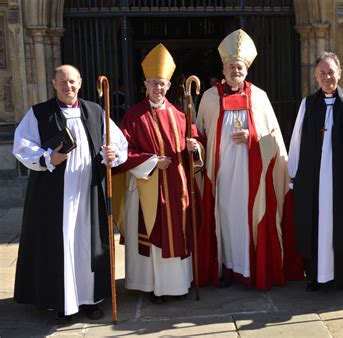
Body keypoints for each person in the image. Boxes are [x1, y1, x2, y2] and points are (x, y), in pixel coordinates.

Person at [12, 64, 128, 321]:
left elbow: (118, 143)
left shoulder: (96, 111)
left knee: (88, 245)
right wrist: (46, 158)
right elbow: (22, 146)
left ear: (81, 82)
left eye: (73, 81)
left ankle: (89, 300)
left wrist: (113, 154)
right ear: (54, 83)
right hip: (54, 195)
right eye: (63, 82)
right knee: (59, 246)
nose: (68, 87)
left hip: (88, 192)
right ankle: (61, 302)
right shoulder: (39, 114)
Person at [196, 29, 303, 291]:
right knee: (224, 219)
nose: (236, 70)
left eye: (240, 66)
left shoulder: (260, 97)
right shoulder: (209, 98)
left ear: (247, 69)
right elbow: (200, 135)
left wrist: (253, 137)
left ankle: (250, 268)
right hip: (221, 176)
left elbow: (275, 138)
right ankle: (226, 268)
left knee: (248, 221)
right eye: (231, 66)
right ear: (223, 68)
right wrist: (194, 145)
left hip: (252, 178)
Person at [115, 43, 203, 303]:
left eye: (162, 83)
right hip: (147, 188)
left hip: (177, 186)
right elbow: (123, 152)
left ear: (168, 85)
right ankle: (153, 286)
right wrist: (152, 161)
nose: (158, 88)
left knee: (178, 232)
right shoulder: (133, 116)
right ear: (145, 84)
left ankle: (177, 285)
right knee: (153, 235)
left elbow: (196, 148)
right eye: (153, 83)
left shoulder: (180, 115)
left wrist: (194, 147)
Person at [288, 52, 343, 293]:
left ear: (340, 73)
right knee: (315, 223)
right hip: (313, 177)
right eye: (322, 73)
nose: (327, 77)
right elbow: (296, 139)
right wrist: (292, 173)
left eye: (331, 72)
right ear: (316, 76)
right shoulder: (308, 104)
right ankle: (317, 276)